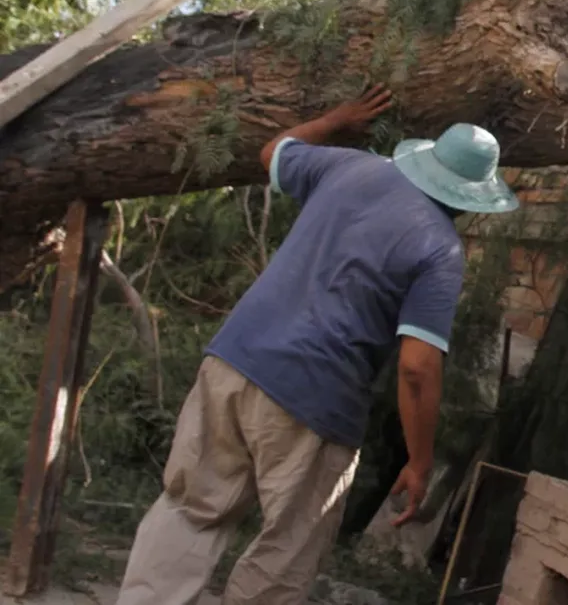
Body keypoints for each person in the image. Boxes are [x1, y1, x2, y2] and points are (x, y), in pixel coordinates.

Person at [116, 85, 519, 605]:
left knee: (190, 509)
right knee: (287, 551)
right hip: (313, 400)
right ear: (472, 198)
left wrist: (335, 119)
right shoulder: (439, 249)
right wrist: (419, 462)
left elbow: (274, 153)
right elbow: (417, 368)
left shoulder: (349, 168)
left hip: (233, 361)